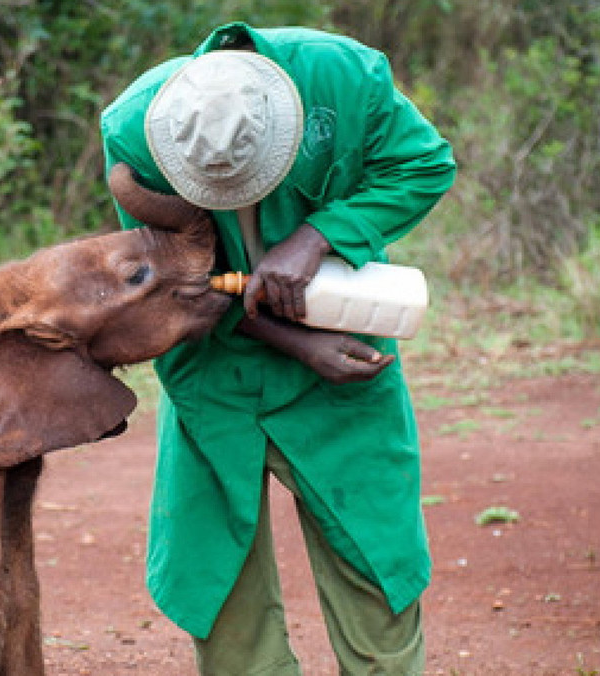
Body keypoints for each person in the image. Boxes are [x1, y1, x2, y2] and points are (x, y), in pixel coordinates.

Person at [100, 21, 456, 675]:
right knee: (218, 568)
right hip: (212, 361)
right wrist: (290, 338)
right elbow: (174, 285)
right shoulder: (134, 130)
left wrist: (320, 235)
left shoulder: (347, 79)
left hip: (342, 350)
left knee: (372, 548)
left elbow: (425, 163)